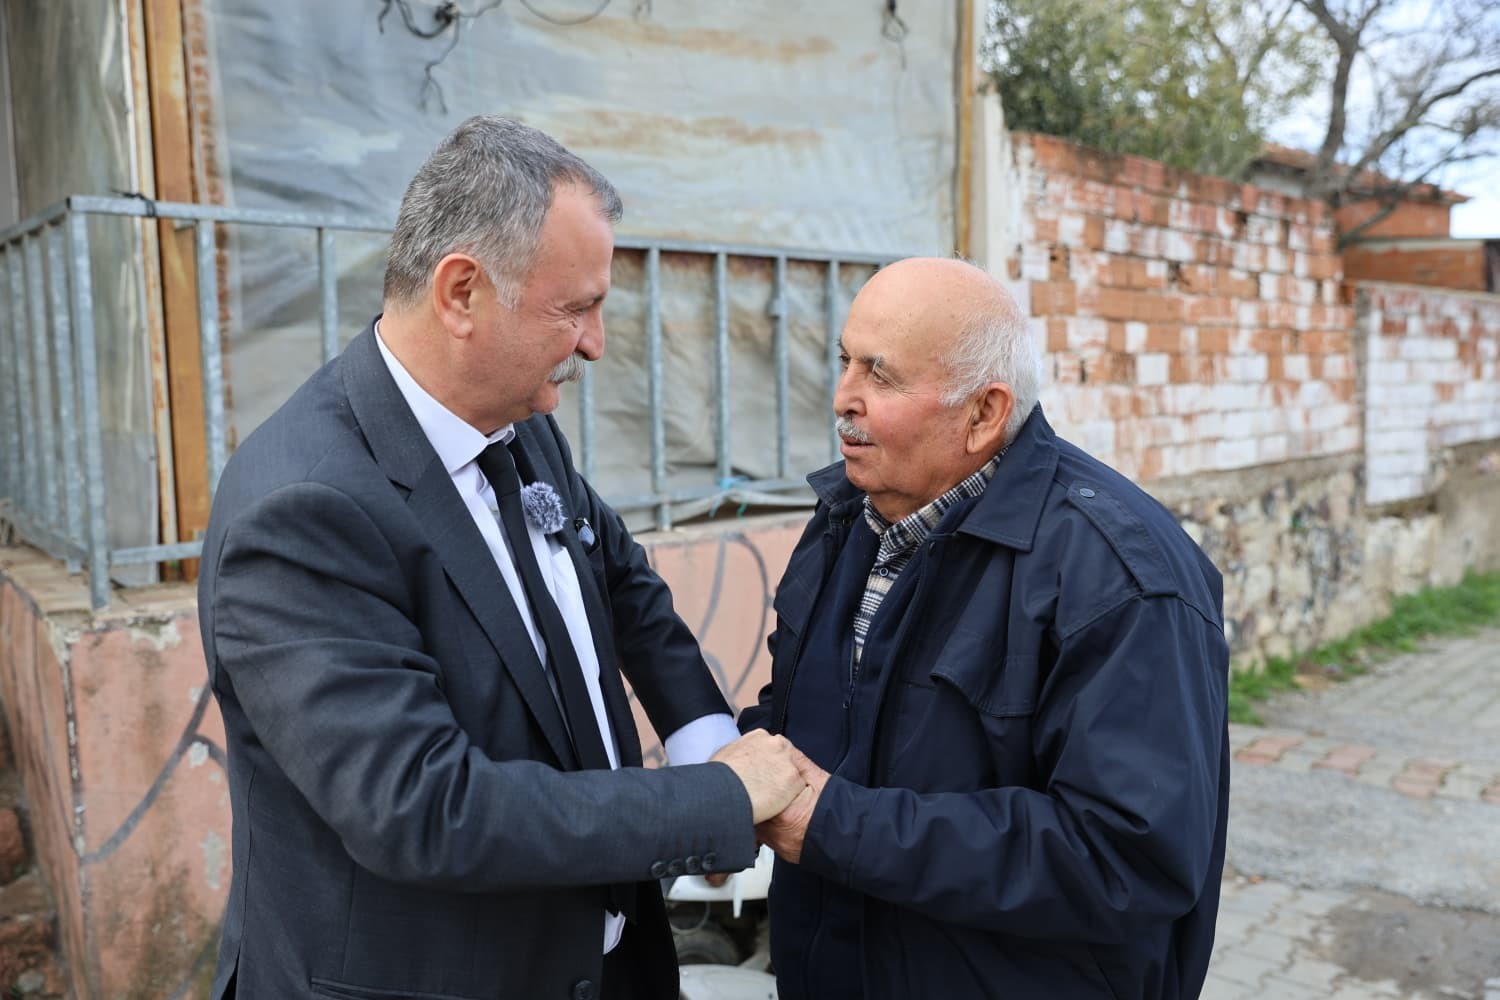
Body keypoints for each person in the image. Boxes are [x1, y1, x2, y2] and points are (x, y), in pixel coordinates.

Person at [197, 116, 805, 1000]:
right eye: (576, 308)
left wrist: (708, 743)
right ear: (462, 293)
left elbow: (620, 582)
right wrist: (716, 803)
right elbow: (424, 807)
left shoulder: (517, 422)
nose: (596, 342)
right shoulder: (302, 510)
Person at [740, 257, 1231, 999]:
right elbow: (807, 717)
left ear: (984, 413)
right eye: (845, 362)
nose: (843, 399)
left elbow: (1128, 858)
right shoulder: (849, 518)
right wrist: (736, 781)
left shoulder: (1119, 577)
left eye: (881, 376)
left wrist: (835, 826)